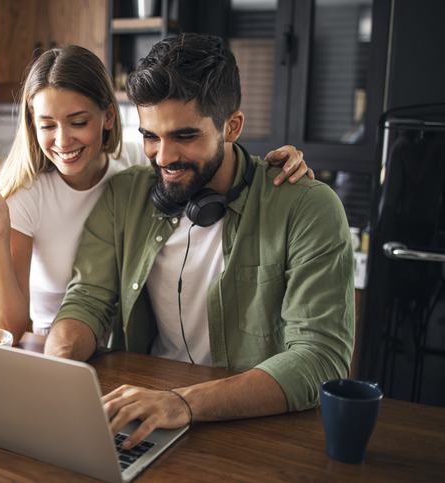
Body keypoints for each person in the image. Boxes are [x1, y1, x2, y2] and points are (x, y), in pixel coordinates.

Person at [44, 34, 355, 450]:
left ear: (232, 126)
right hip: (146, 411)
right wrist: (52, 371)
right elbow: (88, 299)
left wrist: (181, 403)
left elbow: (320, 358)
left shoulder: (306, 207)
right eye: (151, 137)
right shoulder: (125, 195)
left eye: (185, 136)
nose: (164, 157)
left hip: (255, 426)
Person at [0, 45, 313, 344]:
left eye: (78, 122)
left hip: (125, 344)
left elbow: (198, 152)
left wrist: (266, 170)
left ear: (108, 117)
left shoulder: (134, 161)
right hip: (59, 342)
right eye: (47, 125)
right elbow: (6, 329)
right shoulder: (26, 196)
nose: (63, 141)